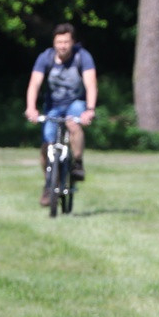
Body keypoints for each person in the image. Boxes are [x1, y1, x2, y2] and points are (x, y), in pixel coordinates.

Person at [25, 23, 97, 206]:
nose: (62, 46)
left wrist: (89, 109)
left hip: (76, 103)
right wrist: (31, 108)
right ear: (54, 43)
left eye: (66, 42)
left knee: (74, 124)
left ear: (73, 42)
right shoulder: (45, 58)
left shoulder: (83, 57)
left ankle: (78, 162)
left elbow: (90, 84)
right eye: (59, 42)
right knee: (46, 145)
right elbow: (34, 84)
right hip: (53, 106)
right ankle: (49, 184)